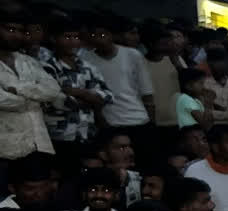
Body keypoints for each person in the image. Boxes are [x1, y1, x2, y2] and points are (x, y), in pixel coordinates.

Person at [41, 16, 114, 170]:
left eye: (76, 37)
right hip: (59, 137)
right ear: (54, 39)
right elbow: (54, 101)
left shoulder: (88, 67)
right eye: (67, 37)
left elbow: (108, 96)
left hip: (88, 134)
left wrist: (80, 93)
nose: (73, 42)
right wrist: (91, 98)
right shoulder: (46, 67)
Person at [80, 16, 154, 159]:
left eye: (103, 34)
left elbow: (147, 92)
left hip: (138, 120)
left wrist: (151, 123)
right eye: (94, 35)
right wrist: (101, 120)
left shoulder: (133, 55)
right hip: (109, 124)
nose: (99, 39)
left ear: (112, 35)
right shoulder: (85, 59)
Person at [0, 10, 61, 160]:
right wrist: (34, 98)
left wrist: (19, 89)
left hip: (39, 143)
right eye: (11, 29)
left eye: (21, 31)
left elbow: (53, 90)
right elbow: (2, 100)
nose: (17, 36)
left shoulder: (28, 61)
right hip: (4, 148)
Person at [142, 24, 181, 143]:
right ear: (150, 43)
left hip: (176, 120)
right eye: (163, 43)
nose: (168, 45)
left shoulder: (174, 60)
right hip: (152, 122)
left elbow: (187, 80)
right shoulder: (140, 63)